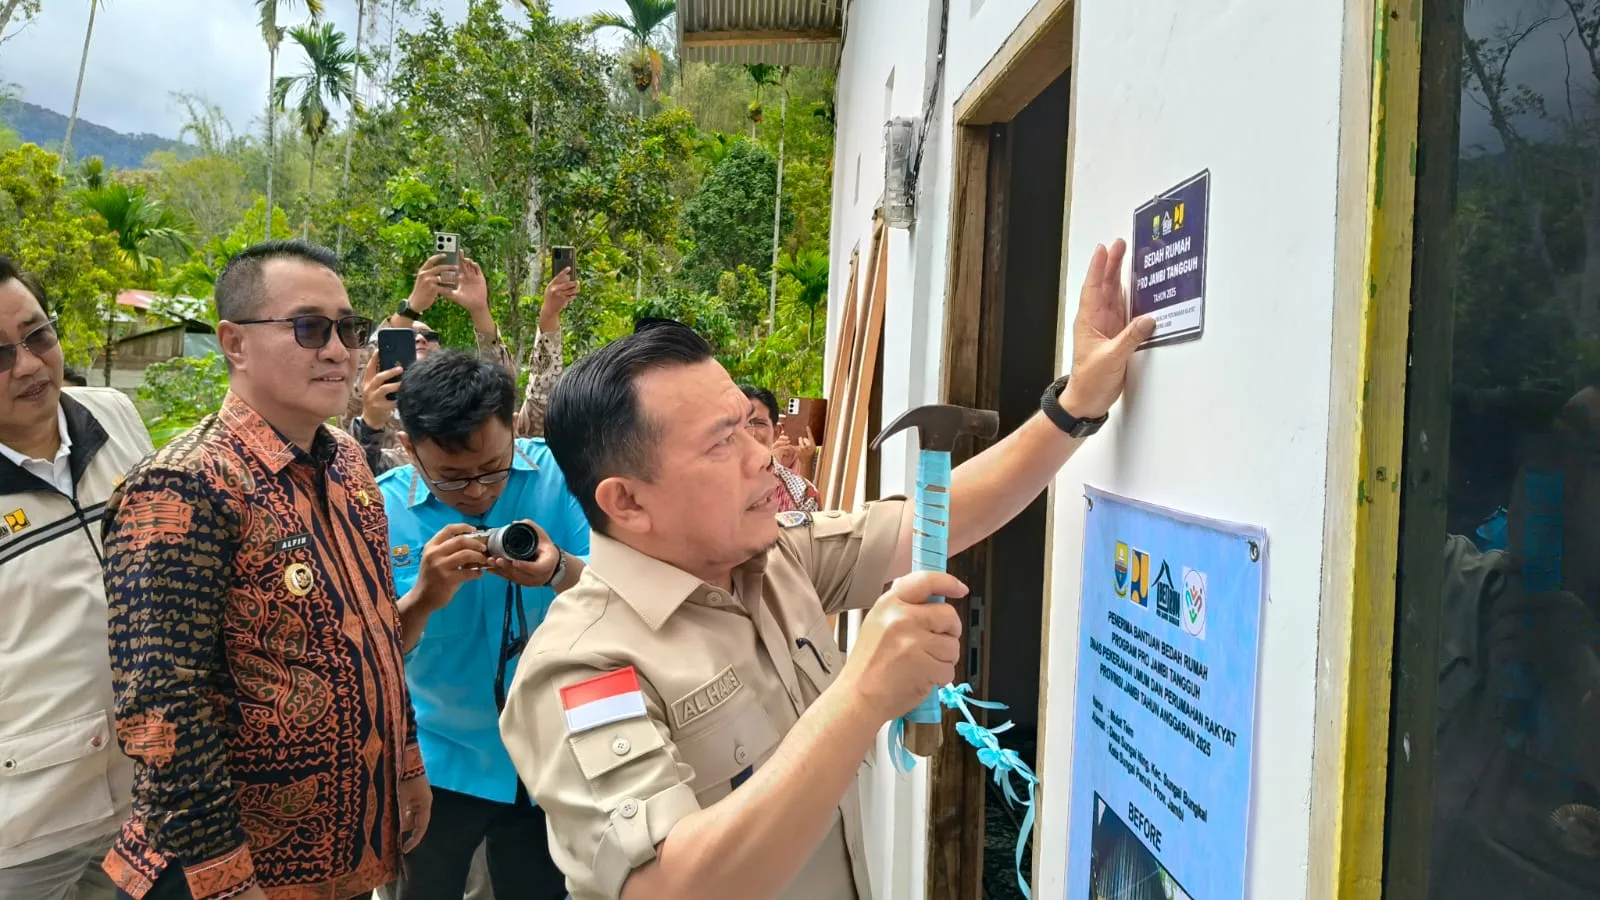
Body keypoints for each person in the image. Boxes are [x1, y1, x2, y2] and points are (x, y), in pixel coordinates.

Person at [498, 239, 1153, 899]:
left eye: (748, 427)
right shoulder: (583, 669)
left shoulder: (775, 559)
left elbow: (937, 519)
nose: (762, 457)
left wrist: (1075, 406)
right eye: (722, 443)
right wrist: (862, 695)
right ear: (627, 502)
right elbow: (666, 886)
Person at [100, 240, 431, 900]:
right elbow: (161, 707)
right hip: (229, 870)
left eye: (347, 329)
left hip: (341, 853)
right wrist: (224, 879)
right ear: (235, 343)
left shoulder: (347, 463)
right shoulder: (183, 486)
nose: (337, 351)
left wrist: (406, 761)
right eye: (309, 328)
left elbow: (373, 634)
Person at [374, 349, 589, 899]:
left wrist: (559, 570)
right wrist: (423, 597)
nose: (475, 491)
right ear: (409, 448)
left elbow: (617, 591)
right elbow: (372, 657)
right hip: (438, 761)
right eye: (450, 478)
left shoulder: (561, 477)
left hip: (548, 754)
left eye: (493, 467)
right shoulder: (380, 511)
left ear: (513, 427)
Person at [0, 256, 153, 900]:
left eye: (38, 335)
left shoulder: (114, 414)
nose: (29, 365)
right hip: (27, 819)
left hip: (148, 794)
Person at [354, 256, 578, 474]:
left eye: (430, 336)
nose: (421, 339)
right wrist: (411, 308)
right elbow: (359, 468)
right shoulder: (382, 428)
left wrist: (483, 311)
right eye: (410, 337)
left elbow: (514, 395)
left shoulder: (489, 428)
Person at [740, 385, 820, 513]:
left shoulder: (802, 495)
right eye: (740, 423)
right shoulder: (708, 486)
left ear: (776, 433)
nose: (750, 432)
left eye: (759, 423)